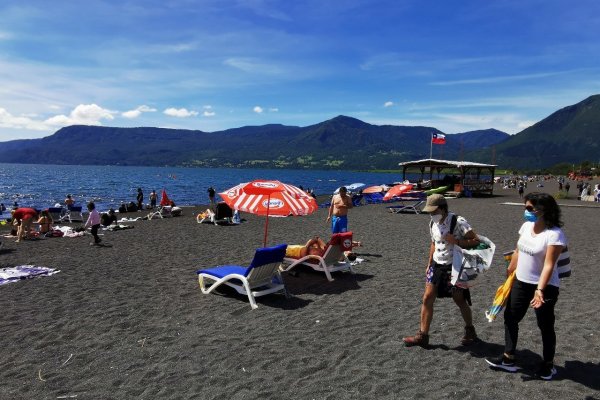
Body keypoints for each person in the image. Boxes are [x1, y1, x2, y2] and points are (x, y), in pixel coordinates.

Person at [486, 192, 567, 380]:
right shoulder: (526, 226)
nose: (526, 211)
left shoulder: (554, 235)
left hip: (544, 286)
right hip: (520, 282)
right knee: (511, 318)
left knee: (545, 325)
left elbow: (549, 265)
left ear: (543, 210)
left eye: (530, 208)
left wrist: (540, 290)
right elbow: (518, 249)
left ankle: (548, 364)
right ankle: (508, 358)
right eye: (525, 207)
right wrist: (510, 271)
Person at [403, 194, 480, 347]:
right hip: (437, 265)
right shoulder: (432, 223)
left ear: (444, 208)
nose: (432, 214)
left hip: (455, 266)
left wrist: (457, 241)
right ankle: (422, 335)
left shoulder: (458, 221)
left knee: (459, 299)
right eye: (430, 212)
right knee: (427, 298)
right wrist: (429, 263)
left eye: (434, 211)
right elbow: (434, 243)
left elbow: (476, 241)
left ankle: (470, 330)